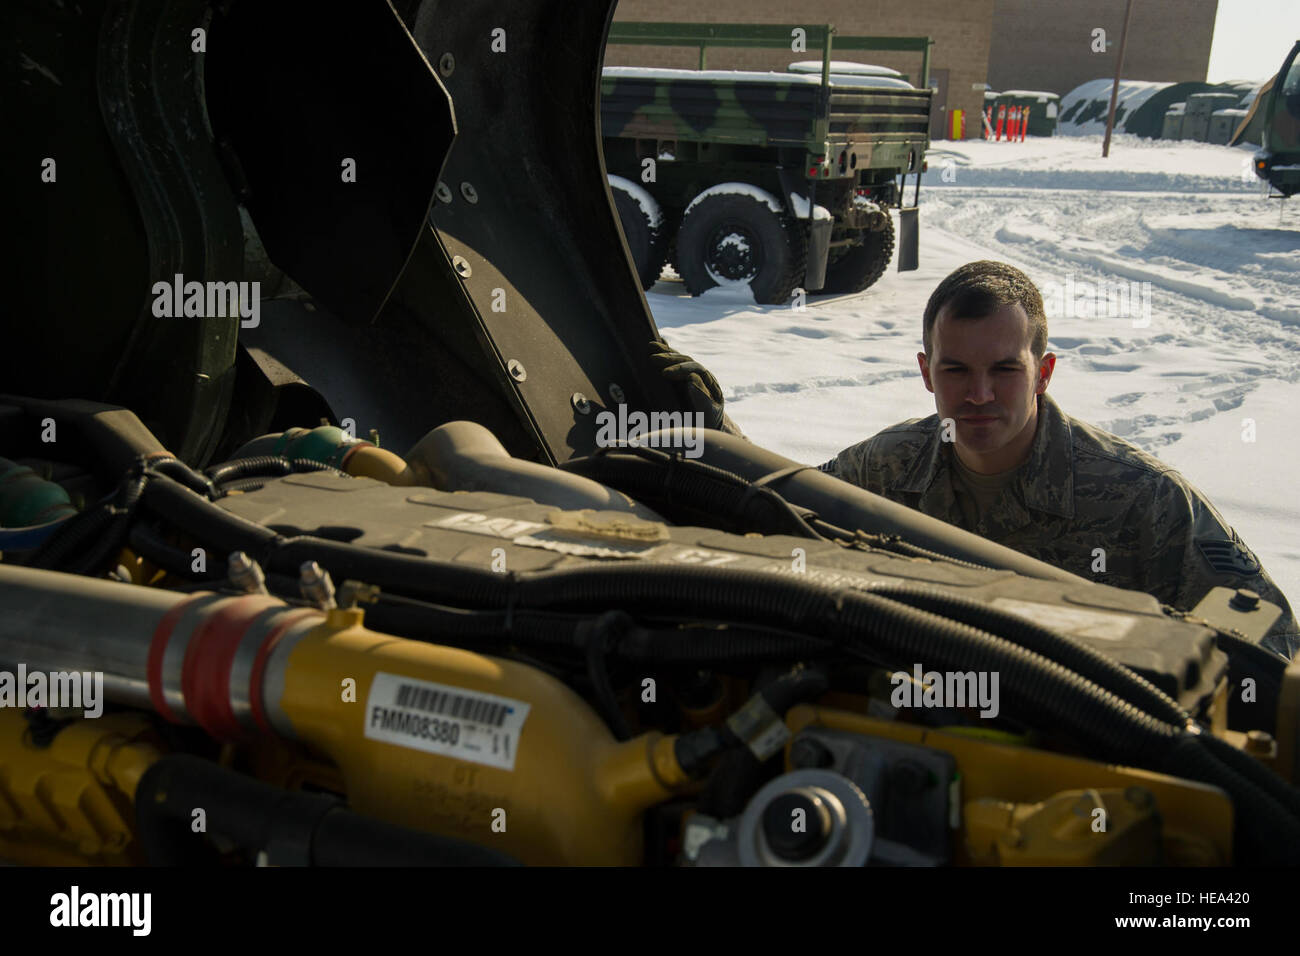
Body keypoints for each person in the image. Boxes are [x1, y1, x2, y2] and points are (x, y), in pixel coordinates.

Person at [650, 261, 1299, 660]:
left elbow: (1266, 647)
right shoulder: (888, 469)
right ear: (927, 373)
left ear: (1043, 373)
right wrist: (713, 439)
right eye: (956, 369)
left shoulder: (1144, 500)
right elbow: (781, 523)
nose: (979, 394)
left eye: (1004, 370)